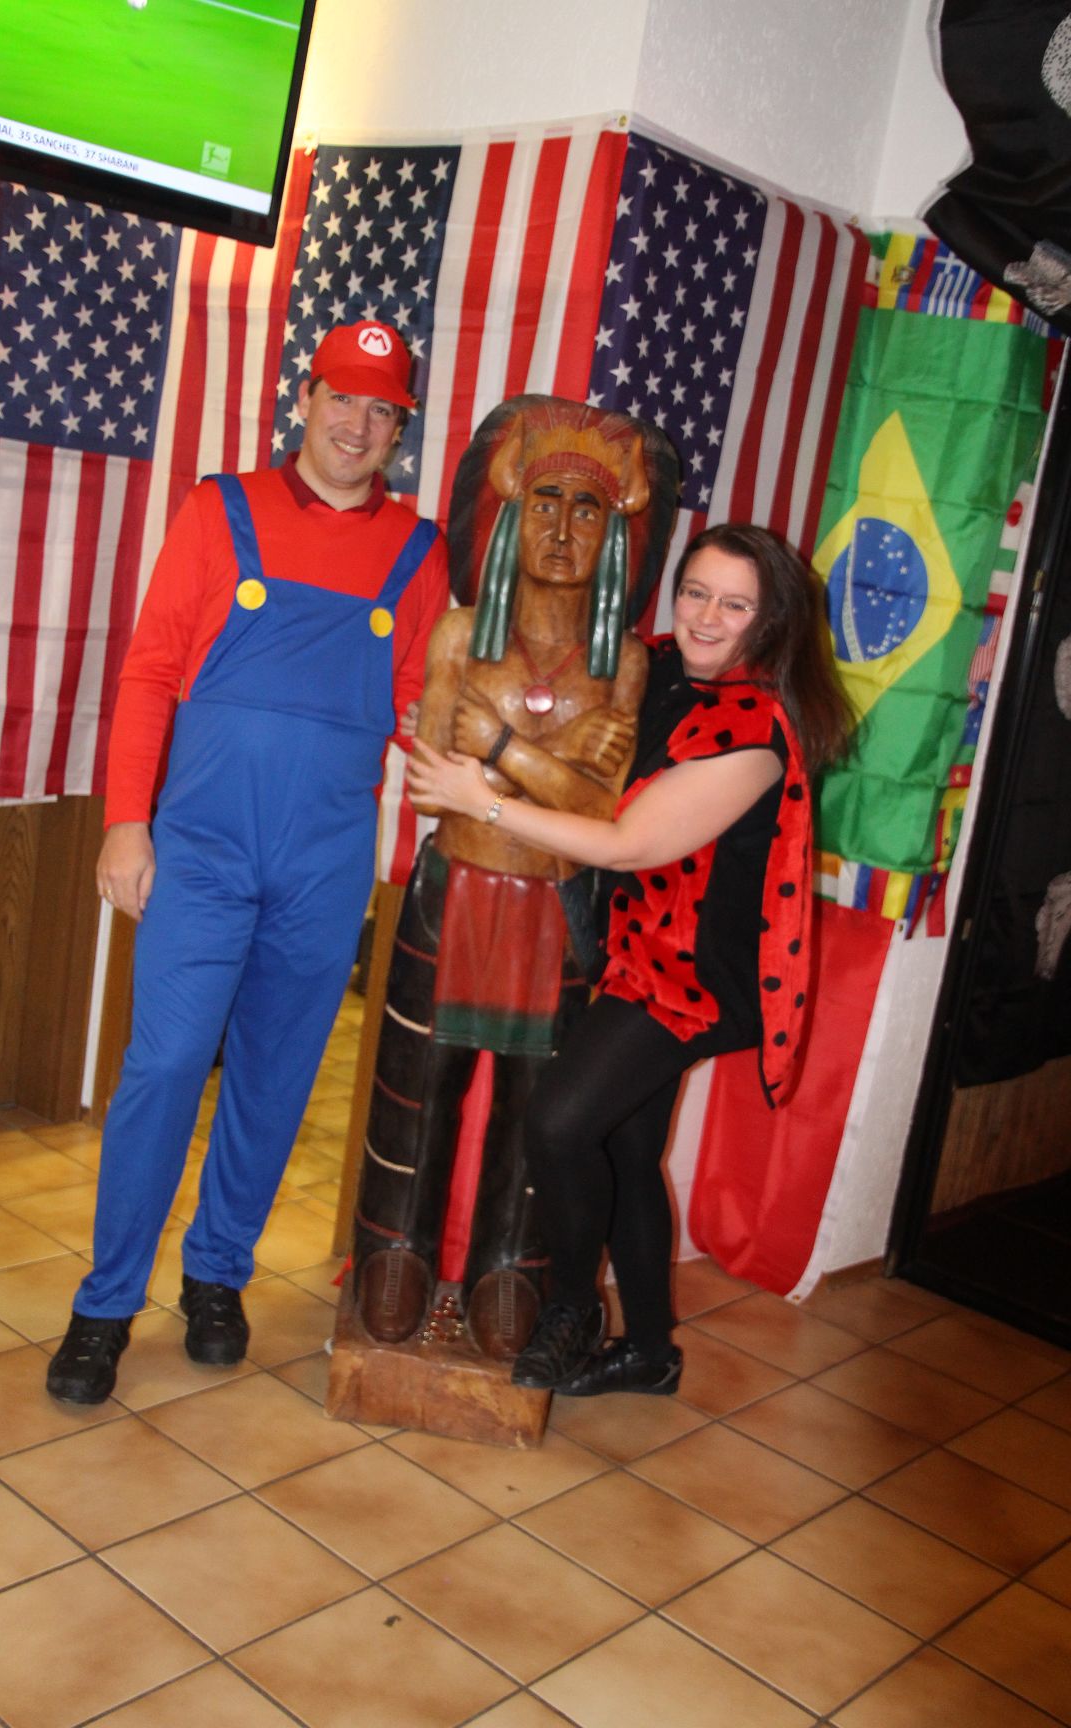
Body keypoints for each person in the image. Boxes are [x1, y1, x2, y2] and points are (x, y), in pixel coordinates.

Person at [46, 320, 449, 1405]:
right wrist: (126, 822)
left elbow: (419, 702)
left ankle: (217, 1273)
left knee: (274, 1081)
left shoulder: (419, 552)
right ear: (304, 398)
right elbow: (150, 672)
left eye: (382, 410)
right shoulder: (220, 511)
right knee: (167, 1066)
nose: (358, 425)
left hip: (325, 863)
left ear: (398, 429)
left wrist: (465, 759)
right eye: (343, 398)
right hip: (204, 849)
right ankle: (105, 1303)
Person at [408, 522, 853, 1395]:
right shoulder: (658, 670)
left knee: (560, 1124)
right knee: (624, 1146)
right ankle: (651, 1352)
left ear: (771, 622)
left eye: (736, 605)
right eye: (696, 592)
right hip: (631, 948)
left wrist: (482, 792)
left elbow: (628, 843)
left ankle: (574, 1310)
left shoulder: (755, 727)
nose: (707, 616)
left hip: (688, 974)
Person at [352, 397, 677, 1358]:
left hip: (556, 908)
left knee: (534, 1107)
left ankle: (512, 1264)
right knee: (419, 1087)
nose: (563, 532)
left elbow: (602, 818)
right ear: (508, 516)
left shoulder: (623, 663)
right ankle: (394, 1249)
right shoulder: (460, 636)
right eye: (544, 504)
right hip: (455, 891)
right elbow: (433, 789)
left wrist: (498, 751)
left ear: (617, 536)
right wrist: (558, 761)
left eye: (588, 511)